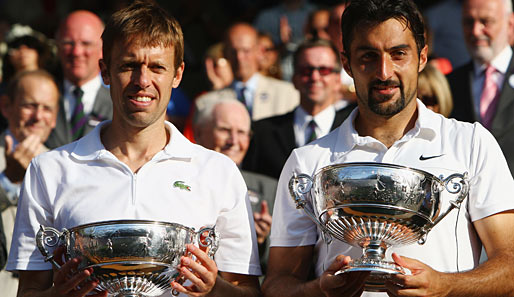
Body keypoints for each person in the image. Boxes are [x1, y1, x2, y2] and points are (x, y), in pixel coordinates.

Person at [6, 2, 261, 297]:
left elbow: (248, 291)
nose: (142, 81)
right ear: (105, 71)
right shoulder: (48, 170)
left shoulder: (218, 171)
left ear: (177, 75)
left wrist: (214, 288)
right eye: (129, 66)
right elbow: (28, 291)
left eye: (157, 67)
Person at [262, 0, 514, 297]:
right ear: (347, 63)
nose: (384, 72)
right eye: (368, 56)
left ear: (422, 58)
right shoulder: (306, 162)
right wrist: (319, 290)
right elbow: (277, 284)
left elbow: (509, 266)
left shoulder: (471, 143)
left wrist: (445, 287)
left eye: (398, 54)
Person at [243, 38, 355, 179]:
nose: (314, 77)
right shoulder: (262, 132)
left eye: (324, 70)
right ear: (294, 79)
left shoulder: (354, 131)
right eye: (306, 70)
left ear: (338, 80)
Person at [193, 98, 277, 276]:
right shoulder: (181, 183)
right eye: (224, 130)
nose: (234, 141)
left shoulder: (270, 190)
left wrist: (261, 241)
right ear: (199, 133)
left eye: (241, 132)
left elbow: (285, 273)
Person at [0, 70, 59, 297]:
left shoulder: (66, 166)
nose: (38, 116)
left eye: (47, 109)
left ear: (54, 118)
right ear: (6, 106)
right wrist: (8, 181)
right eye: (30, 105)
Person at [448, 0, 514, 176]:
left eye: (486, 21)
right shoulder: (448, 84)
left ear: (510, 24)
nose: (476, 31)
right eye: (469, 22)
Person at [195, 23, 299, 121]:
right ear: (225, 53)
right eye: (233, 51)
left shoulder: (288, 94)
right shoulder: (206, 103)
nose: (239, 57)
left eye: (246, 51)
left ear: (259, 52)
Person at [45, 10, 113, 149]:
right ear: (57, 46)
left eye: (86, 43)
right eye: (68, 43)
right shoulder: (39, 100)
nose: (76, 52)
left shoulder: (120, 103)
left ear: (103, 48)